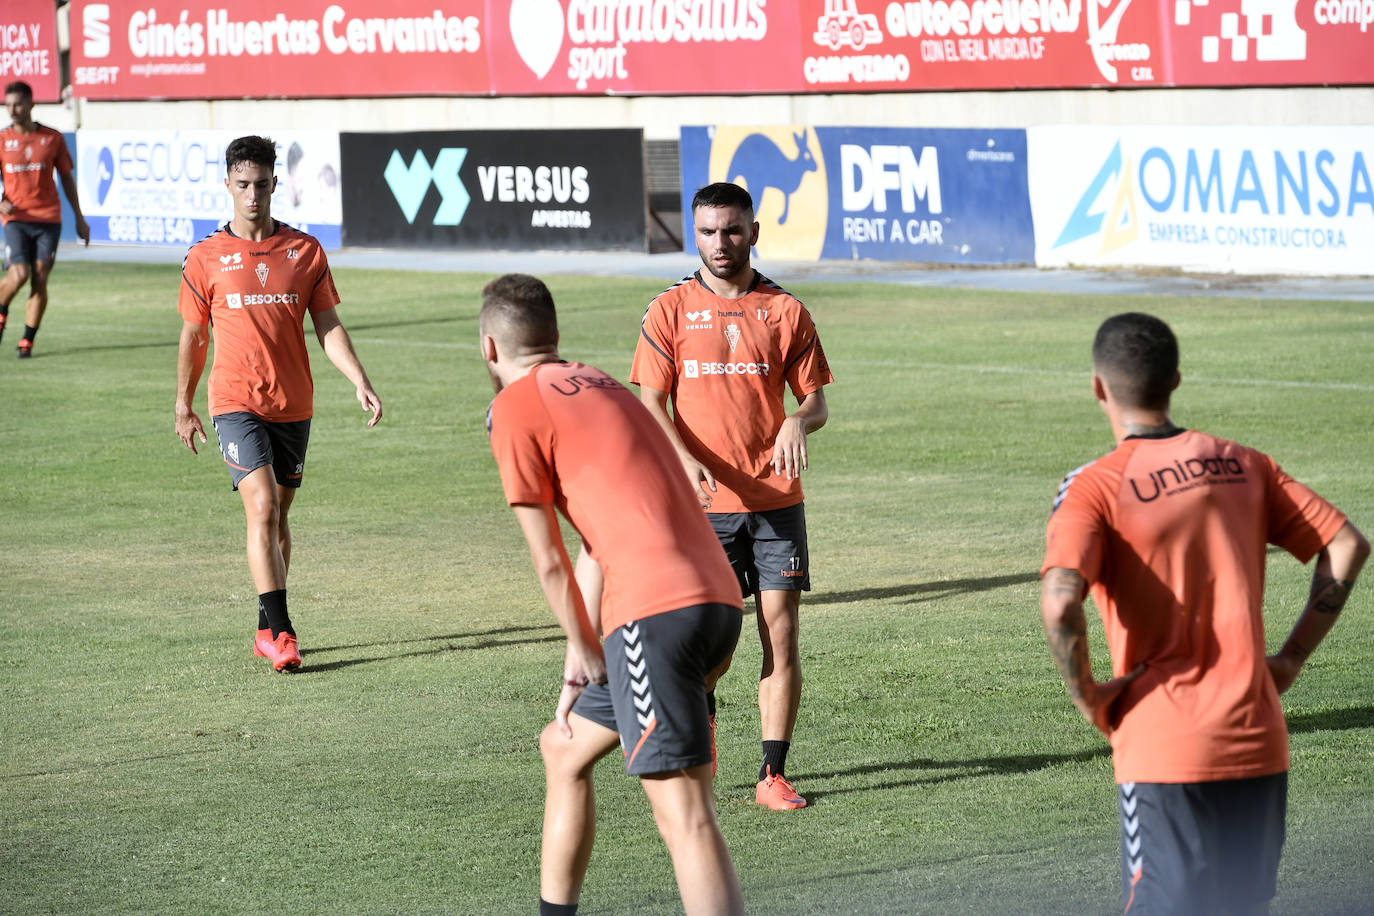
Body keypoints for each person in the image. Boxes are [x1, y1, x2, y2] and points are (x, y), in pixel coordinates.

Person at [1039, 312, 1367, 915]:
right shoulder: (1245, 463)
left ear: (1097, 387)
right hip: (1257, 739)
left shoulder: (1094, 486)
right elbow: (1347, 544)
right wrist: (1291, 658)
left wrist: (1090, 698)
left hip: (1164, 748)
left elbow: (1061, 603)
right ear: (1176, 380)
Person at [480, 273, 744, 915]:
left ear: (490, 348)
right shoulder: (603, 385)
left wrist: (582, 639)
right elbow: (599, 540)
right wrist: (582, 653)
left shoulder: (515, 409)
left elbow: (548, 561)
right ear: (555, 336)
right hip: (714, 600)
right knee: (564, 747)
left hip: (653, 618)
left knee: (685, 818)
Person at [628, 181, 834, 810]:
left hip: (776, 501)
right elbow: (649, 402)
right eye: (710, 231)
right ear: (696, 233)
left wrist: (798, 420)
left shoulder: (786, 310)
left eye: (733, 230)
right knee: (713, 643)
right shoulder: (668, 310)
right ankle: (705, 729)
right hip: (704, 507)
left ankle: (772, 773)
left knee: (783, 633)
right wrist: (684, 458)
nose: (722, 243)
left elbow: (816, 399)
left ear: (753, 230)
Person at [174, 135, 382, 672]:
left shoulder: (305, 252)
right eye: (242, 185)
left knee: (279, 521)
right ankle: (285, 633)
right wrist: (184, 403)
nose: (252, 195)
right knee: (262, 507)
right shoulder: (205, 257)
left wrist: (359, 377)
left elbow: (327, 323)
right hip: (233, 401)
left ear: (274, 184)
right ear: (227, 185)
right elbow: (195, 337)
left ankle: (266, 625)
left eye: (261, 185)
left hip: (294, 403)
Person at [0, 80, 90, 358]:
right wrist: (1, 201)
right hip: (16, 219)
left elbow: (66, 178)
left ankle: (27, 340)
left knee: (39, 278)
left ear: (31, 104)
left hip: (48, 220)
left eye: (19, 104)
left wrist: (79, 217)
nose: (13, 110)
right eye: (9, 104)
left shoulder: (52, 138)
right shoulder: (2, 140)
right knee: (19, 275)